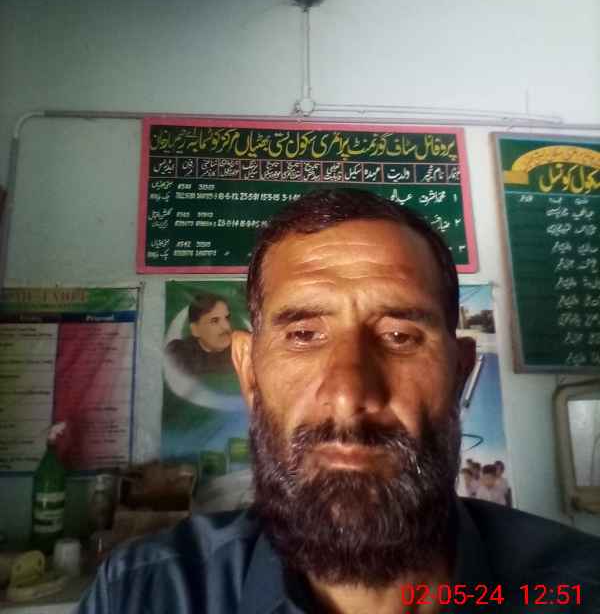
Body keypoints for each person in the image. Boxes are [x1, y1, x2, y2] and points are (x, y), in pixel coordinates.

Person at [76, 190, 600, 614]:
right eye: (303, 334)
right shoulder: (141, 595)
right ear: (248, 370)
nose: (349, 397)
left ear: (460, 370)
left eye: (400, 336)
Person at [165, 292, 233, 377]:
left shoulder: (241, 350)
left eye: (227, 318)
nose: (226, 326)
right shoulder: (178, 354)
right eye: (214, 321)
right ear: (195, 329)